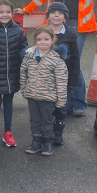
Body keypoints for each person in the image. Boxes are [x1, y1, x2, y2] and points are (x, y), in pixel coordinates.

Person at [0, 0, 28, 148]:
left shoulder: (18, 30)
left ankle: (8, 132)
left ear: (12, 13)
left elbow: (23, 49)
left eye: (8, 12)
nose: (5, 15)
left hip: (12, 74)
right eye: (1, 12)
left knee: (8, 103)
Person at [19, 25, 68, 156]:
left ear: (53, 40)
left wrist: (61, 100)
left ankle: (48, 143)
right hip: (32, 96)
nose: (42, 42)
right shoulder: (29, 56)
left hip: (47, 97)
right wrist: (24, 89)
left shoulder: (56, 59)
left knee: (47, 121)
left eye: (46, 39)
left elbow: (62, 81)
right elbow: (23, 73)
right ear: (35, 41)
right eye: (39, 39)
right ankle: (36, 142)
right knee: (34, 120)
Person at [46, 2, 80, 146]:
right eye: (53, 13)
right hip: (45, 78)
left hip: (62, 78)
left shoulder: (71, 35)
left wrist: (72, 80)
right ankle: (44, 133)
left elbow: (75, 59)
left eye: (60, 13)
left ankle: (58, 133)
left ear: (65, 18)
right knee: (45, 107)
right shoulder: (42, 33)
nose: (56, 15)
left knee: (60, 107)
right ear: (48, 16)